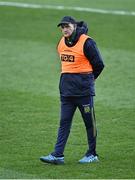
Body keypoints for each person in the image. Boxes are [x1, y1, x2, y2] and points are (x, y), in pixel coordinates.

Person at [40, 16, 104, 164]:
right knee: (64, 123)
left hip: (83, 93)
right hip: (67, 92)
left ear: (74, 26)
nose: (64, 29)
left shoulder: (87, 42)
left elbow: (99, 64)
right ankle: (58, 155)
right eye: (62, 27)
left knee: (90, 123)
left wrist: (88, 81)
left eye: (67, 26)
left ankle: (92, 154)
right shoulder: (61, 42)